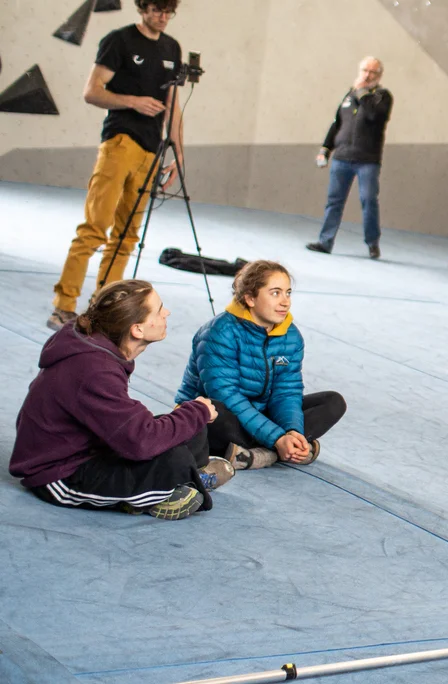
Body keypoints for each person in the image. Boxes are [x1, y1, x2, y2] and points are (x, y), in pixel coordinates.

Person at [12, 280, 229, 521]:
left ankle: (184, 477)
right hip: (59, 474)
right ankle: (158, 491)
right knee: (175, 455)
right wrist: (195, 412)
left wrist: (194, 414)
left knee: (192, 427)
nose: (166, 313)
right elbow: (140, 441)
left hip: (92, 447)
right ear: (137, 329)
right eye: (159, 309)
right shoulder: (95, 369)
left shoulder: (97, 347)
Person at [47, 0, 185, 331]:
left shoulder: (172, 47)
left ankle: (103, 308)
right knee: (95, 228)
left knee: (127, 235)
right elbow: (92, 92)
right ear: (142, 8)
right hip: (120, 143)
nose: (162, 17)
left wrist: (179, 154)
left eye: (169, 12)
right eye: (156, 10)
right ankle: (64, 305)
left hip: (152, 151)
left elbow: (173, 104)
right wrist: (133, 102)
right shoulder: (119, 40)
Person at [176, 261, 347, 470]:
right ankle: (279, 451)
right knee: (212, 410)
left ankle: (259, 453)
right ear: (250, 298)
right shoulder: (219, 332)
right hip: (222, 415)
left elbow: (286, 392)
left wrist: (292, 431)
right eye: (275, 293)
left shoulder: (291, 336)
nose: (285, 302)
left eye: (288, 293)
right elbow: (226, 396)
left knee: (333, 402)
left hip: (260, 413)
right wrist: (276, 438)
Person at [306, 57, 394, 259]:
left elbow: (373, 115)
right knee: (334, 201)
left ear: (379, 75)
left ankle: (372, 242)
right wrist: (325, 149)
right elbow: (337, 123)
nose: (367, 75)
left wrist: (362, 92)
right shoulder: (348, 96)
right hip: (342, 158)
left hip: (367, 160)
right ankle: (325, 241)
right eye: (364, 70)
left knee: (368, 200)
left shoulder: (382, 96)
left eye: (372, 72)